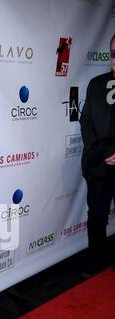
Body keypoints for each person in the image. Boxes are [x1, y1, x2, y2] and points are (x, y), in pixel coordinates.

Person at [80, 32, 115, 277]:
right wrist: (103, 153)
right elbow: (86, 122)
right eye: (113, 53)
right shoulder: (95, 84)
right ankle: (96, 263)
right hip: (99, 163)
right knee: (97, 216)